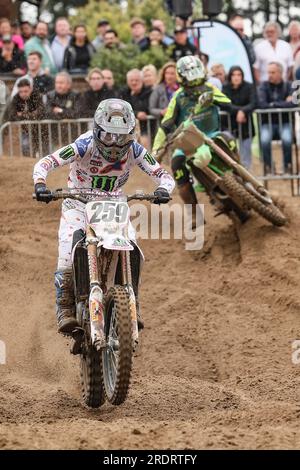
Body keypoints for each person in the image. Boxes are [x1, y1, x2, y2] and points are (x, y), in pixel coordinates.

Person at [33, 98, 175, 334]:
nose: (115, 142)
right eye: (109, 135)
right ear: (97, 129)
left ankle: (132, 304)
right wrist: (40, 184)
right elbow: (46, 162)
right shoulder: (83, 145)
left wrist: (163, 190)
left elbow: (164, 175)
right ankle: (65, 309)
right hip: (78, 203)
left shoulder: (135, 150)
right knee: (68, 253)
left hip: (114, 204)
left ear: (130, 133)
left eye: (121, 136)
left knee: (133, 248)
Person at [152, 56, 232, 227]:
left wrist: (212, 98)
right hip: (189, 142)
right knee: (176, 164)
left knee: (229, 140)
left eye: (196, 74)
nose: (195, 81)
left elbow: (228, 104)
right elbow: (166, 124)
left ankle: (242, 176)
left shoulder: (209, 87)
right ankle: (194, 212)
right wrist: (156, 150)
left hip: (212, 134)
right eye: (190, 76)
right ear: (183, 78)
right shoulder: (178, 97)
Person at [257, 61, 295, 174]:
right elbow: (261, 104)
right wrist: (282, 103)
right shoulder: (263, 86)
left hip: (285, 122)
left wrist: (273, 104)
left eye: (272, 72)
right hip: (267, 123)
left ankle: (287, 166)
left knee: (288, 140)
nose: (270, 75)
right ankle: (268, 167)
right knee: (264, 141)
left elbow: (294, 103)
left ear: (280, 73)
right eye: (268, 72)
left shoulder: (290, 85)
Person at [223, 66, 256, 169]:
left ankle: (247, 181)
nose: (236, 77)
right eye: (233, 75)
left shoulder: (249, 87)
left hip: (246, 127)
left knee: (245, 158)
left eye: (239, 75)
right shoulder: (225, 88)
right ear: (230, 76)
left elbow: (254, 103)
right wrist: (239, 111)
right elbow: (225, 104)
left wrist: (243, 111)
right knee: (230, 157)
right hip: (229, 126)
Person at [3, 78, 44, 155]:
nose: (23, 94)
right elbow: (12, 116)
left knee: (44, 150)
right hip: (25, 129)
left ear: (30, 89)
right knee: (25, 147)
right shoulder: (16, 98)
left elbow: (41, 112)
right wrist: (31, 114)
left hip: (40, 128)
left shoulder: (36, 95)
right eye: (21, 91)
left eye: (26, 91)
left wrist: (22, 114)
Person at [120, 69, 152, 148]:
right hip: (127, 130)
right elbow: (122, 109)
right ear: (128, 81)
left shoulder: (149, 92)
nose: (134, 83)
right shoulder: (123, 92)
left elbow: (146, 108)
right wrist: (137, 113)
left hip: (145, 129)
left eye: (137, 80)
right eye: (131, 80)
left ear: (142, 80)